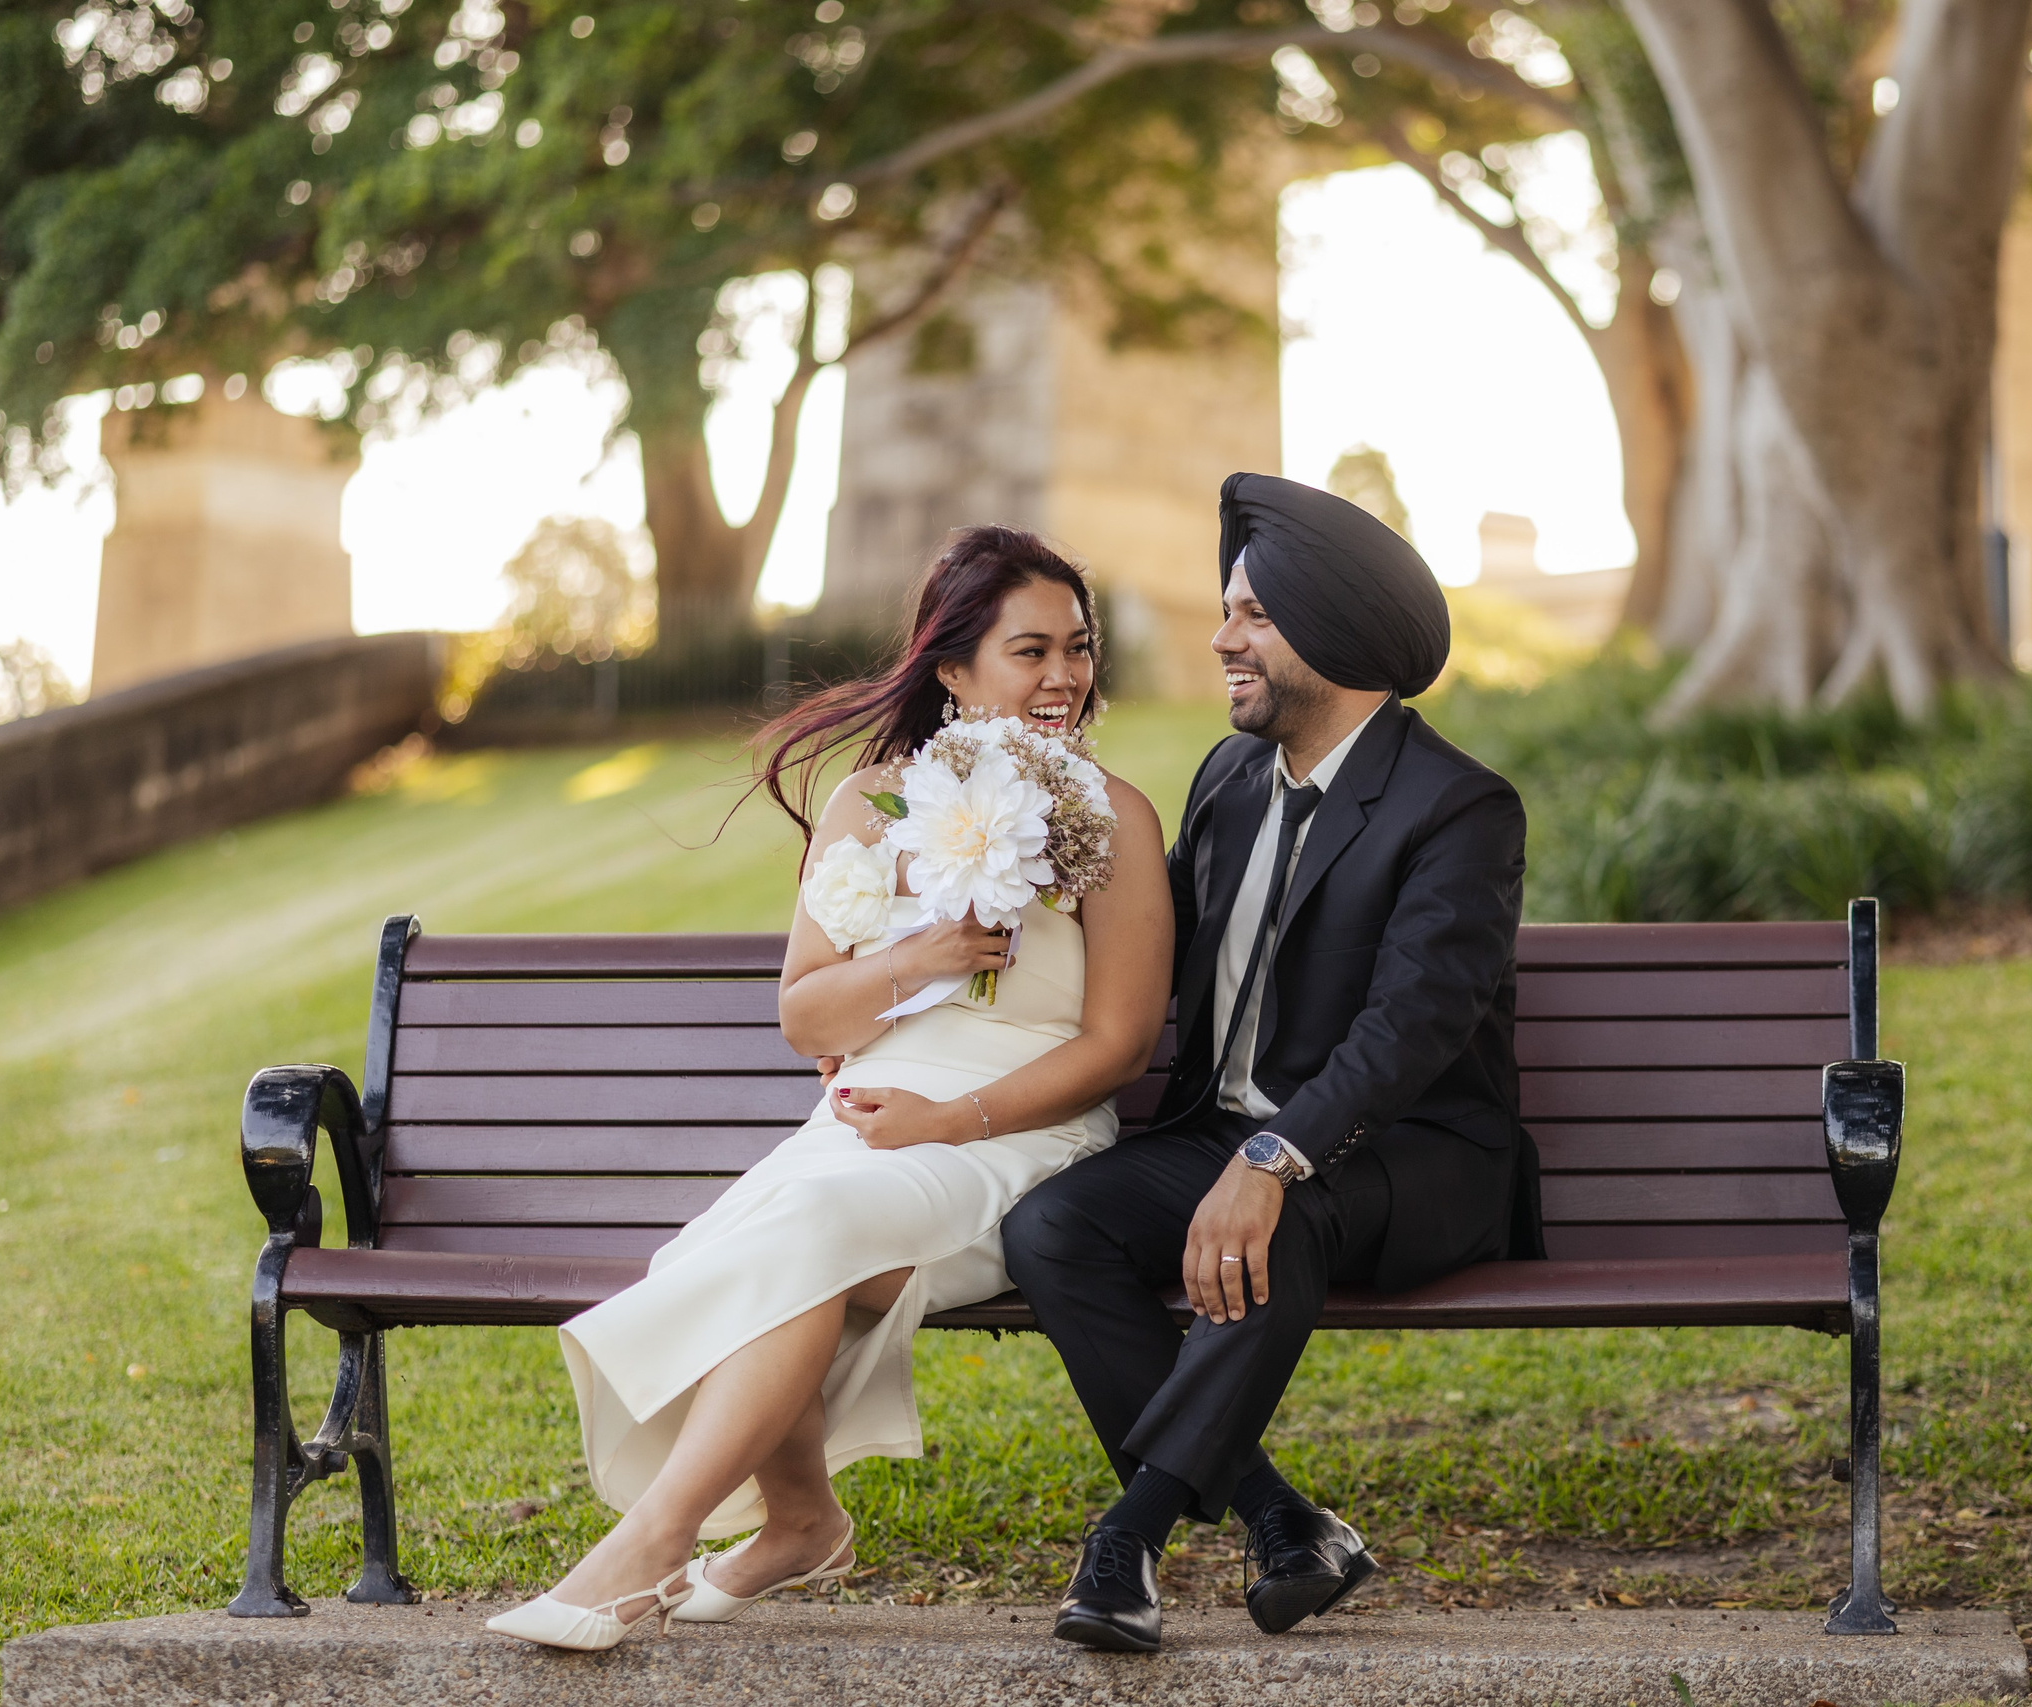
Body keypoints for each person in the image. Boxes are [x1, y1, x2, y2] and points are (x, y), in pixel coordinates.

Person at [486, 527, 1172, 1651]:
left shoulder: (1113, 817)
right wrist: (923, 957)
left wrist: (951, 1119)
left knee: (794, 1231)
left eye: (1078, 648)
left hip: (1020, 1137)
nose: (1064, 675)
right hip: (858, 1131)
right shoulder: (869, 803)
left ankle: (653, 1545)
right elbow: (806, 1014)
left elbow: (1120, 1043)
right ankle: (800, 1521)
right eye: (1032, 650)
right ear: (953, 670)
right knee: (781, 1230)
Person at [1000, 473, 1539, 1653]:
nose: (1221, 639)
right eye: (1226, 611)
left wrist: (1273, 1156)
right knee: (1052, 1227)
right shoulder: (1229, 781)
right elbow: (1146, 952)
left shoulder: (1457, 809)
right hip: (1230, 1132)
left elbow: (1412, 1027)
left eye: (1251, 615)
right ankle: (1283, 1522)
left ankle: (1128, 1541)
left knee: (1273, 1220)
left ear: (1330, 634)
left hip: (1412, 1156)